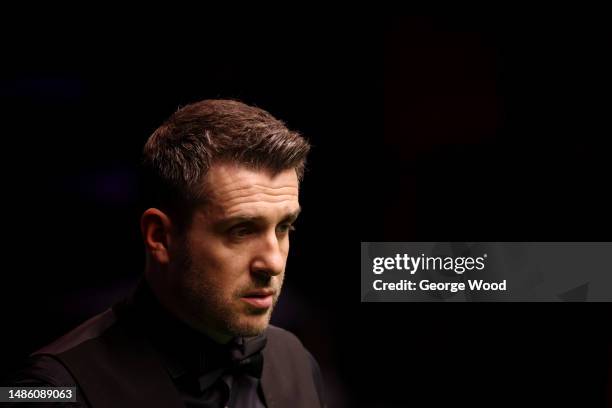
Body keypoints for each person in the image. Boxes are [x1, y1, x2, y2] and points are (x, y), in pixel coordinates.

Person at [9, 99, 325, 407]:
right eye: (241, 231)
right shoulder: (52, 390)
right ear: (160, 236)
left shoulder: (295, 361)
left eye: (284, 227)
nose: (272, 261)